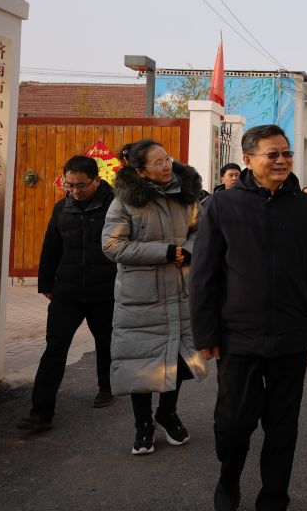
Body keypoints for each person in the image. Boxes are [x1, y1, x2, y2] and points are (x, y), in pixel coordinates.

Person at [190, 124, 307, 511]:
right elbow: (204, 275)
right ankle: (228, 479)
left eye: (286, 153)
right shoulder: (222, 206)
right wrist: (205, 333)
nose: (282, 160)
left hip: (290, 335)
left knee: (282, 424)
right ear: (248, 159)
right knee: (233, 422)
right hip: (238, 335)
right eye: (272, 154)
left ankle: (274, 496)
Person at [102, 139, 207, 456]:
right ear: (140, 171)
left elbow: (200, 232)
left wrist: (187, 251)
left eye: (167, 159)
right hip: (141, 296)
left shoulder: (186, 195)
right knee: (141, 363)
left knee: (179, 358)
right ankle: (143, 424)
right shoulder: (125, 201)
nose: (167, 166)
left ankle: (167, 412)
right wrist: (164, 252)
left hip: (180, 290)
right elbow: (112, 246)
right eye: (158, 162)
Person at [16, 156, 117, 433]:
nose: (75, 191)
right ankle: (41, 413)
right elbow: (51, 247)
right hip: (67, 292)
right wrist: (46, 284)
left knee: (107, 343)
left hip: (105, 292)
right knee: (54, 349)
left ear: (97, 180)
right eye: (69, 185)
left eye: (81, 185)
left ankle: (107, 387)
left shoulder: (115, 207)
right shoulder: (62, 208)